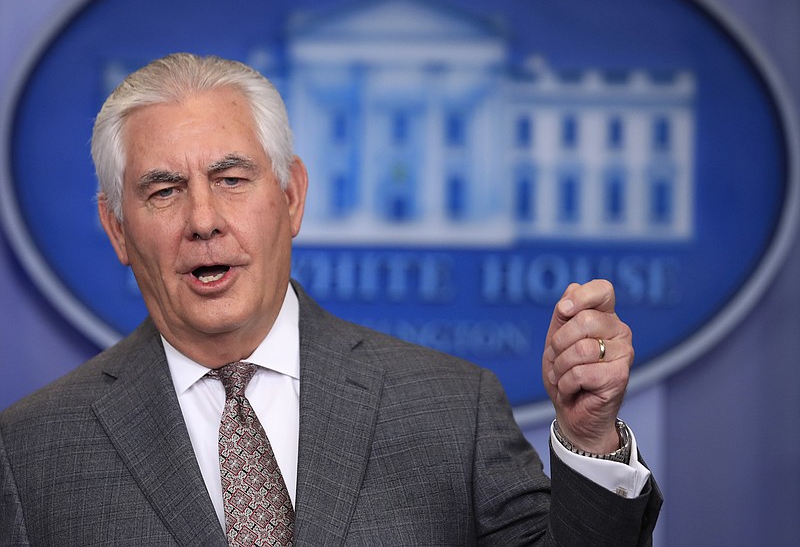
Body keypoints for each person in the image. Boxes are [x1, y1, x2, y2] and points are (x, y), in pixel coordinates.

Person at [0, 53, 661, 546]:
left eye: (231, 179)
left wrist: (587, 440)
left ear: (291, 197)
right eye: (164, 191)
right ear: (117, 227)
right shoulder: (30, 452)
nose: (203, 219)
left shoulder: (452, 412)